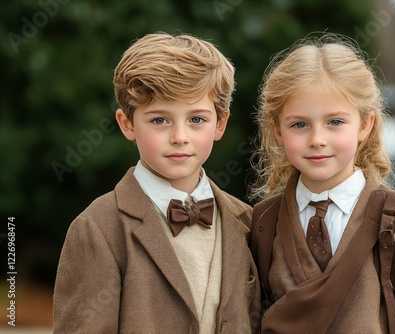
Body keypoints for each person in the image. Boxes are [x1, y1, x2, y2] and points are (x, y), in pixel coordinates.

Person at [53, 32, 260, 333]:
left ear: (221, 123)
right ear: (127, 124)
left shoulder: (250, 221)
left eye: (196, 119)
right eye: (159, 120)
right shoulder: (97, 228)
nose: (179, 136)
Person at [249, 33, 395, 333]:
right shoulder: (264, 222)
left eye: (335, 122)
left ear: (365, 125)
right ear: (277, 131)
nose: (317, 140)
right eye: (299, 124)